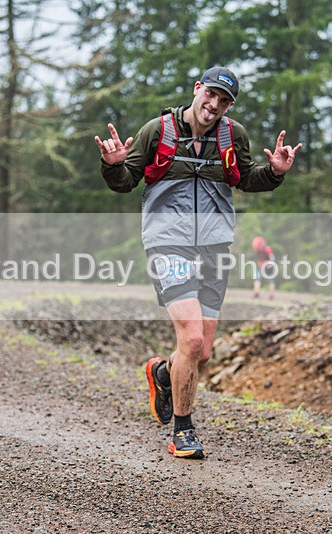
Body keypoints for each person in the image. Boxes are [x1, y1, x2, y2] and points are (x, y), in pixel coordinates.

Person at [95, 66, 302, 459]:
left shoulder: (231, 134)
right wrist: (112, 164)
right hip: (167, 243)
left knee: (201, 352)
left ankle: (161, 372)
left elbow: (244, 178)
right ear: (197, 89)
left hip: (214, 247)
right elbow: (126, 181)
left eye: (224, 101)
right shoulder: (157, 131)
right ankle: (183, 430)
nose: (215, 105)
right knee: (190, 339)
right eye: (211, 95)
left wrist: (274, 172)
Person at [251, 235, 276, 300]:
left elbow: (272, 257)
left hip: (269, 266)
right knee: (257, 277)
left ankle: (271, 294)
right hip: (262, 266)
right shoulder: (258, 250)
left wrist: (270, 264)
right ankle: (256, 292)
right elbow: (260, 258)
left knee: (271, 279)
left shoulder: (267, 249)